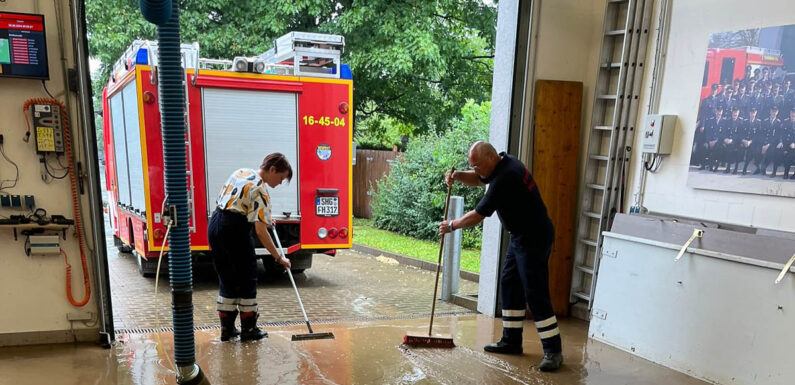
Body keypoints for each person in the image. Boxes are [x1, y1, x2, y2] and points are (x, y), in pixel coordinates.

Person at [438, 141, 562, 372]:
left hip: (534, 237)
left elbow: (478, 214)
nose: (475, 170)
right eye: (472, 166)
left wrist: (451, 225)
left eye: (476, 165)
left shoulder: (506, 177)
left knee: (535, 293)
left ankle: (553, 350)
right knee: (509, 284)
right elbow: (477, 179)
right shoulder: (501, 164)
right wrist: (457, 176)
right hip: (520, 237)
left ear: (489, 158)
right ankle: (511, 341)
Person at [208, 153, 293, 342]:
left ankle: (227, 330)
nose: (279, 183)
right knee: (247, 276)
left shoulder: (241, 172)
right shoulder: (260, 190)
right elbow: (261, 232)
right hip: (234, 229)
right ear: (272, 169)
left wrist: (264, 218)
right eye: (280, 178)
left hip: (215, 225)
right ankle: (249, 329)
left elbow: (240, 204)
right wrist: (279, 258)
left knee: (227, 277)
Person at [740, 107, 762, 175]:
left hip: (753, 142)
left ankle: (746, 168)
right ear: (749, 113)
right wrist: (744, 140)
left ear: (756, 113)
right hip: (745, 141)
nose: (752, 114)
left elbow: (758, 135)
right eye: (751, 112)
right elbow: (742, 132)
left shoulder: (758, 122)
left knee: (753, 151)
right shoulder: (745, 121)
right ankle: (740, 167)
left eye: (754, 113)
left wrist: (750, 141)